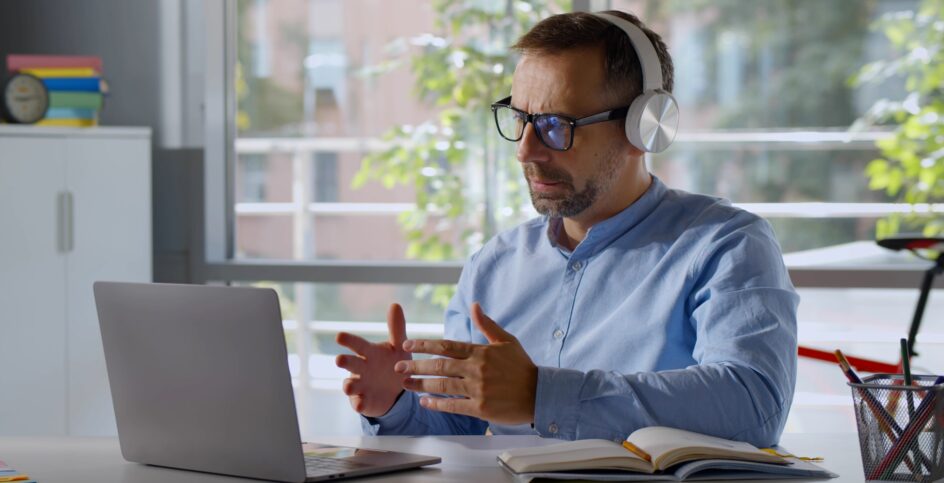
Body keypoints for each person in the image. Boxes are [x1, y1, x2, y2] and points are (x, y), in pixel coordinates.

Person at [334, 10, 797, 447]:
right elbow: (458, 424)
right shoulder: (493, 266)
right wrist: (393, 406)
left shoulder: (726, 245)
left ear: (643, 127)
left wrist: (542, 395)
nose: (526, 150)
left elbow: (753, 404)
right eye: (520, 119)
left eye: (557, 125)